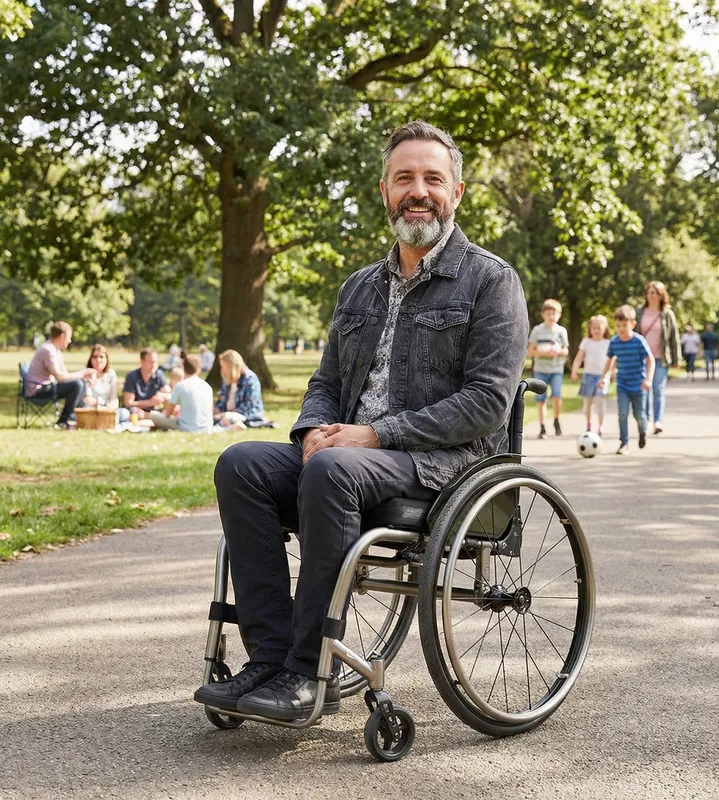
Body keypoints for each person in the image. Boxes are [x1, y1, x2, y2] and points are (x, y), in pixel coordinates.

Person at [193, 121, 528, 721]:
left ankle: (306, 671)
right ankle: (267, 661)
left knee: (336, 472)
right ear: (384, 191)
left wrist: (373, 435)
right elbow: (325, 383)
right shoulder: (358, 289)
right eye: (405, 178)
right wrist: (311, 433)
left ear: (456, 192)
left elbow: (486, 404)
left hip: (442, 466)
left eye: (432, 178)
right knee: (241, 462)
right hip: (347, 458)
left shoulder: (491, 281)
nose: (417, 190)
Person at [599, 306, 654, 455]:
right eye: (618, 326)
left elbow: (650, 360)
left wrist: (648, 379)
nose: (621, 329)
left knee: (639, 415)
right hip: (622, 384)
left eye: (624, 325)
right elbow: (609, 361)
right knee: (622, 413)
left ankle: (642, 431)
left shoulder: (638, 341)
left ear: (633, 324)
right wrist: (604, 377)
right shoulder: (614, 342)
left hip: (639, 385)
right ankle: (624, 443)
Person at [25, 321, 95, 429]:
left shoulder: (55, 350)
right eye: (69, 337)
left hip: (47, 387)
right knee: (77, 385)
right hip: (37, 390)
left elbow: (65, 375)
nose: (70, 341)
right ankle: (64, 420)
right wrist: (82, 373)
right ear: (62, 336)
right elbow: (60, 377)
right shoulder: (48, 350)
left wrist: (83, 376)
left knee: (81, 383)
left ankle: (74, 418)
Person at [637, 281, 680, 435]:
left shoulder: (667, 314)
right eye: (648, 292)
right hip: (643, 358)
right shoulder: (640, 313)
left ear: (661, 295)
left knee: (658, 389)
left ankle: (658, 421)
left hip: (661, 357)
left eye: (654, 292)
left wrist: (676, 359)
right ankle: (646, 420)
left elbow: (674, 337)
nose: (651, 295)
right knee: (645, 389)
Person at [528, 299, 569, 439]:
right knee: (541, 399)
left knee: (557, 397)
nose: (551, 316)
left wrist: (558, 352)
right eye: (548, 313)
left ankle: (557, 421)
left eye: (554, 313)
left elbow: (566, 351)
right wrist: (545, 353)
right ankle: (542, 426)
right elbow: (531, 351)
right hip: (541, 369)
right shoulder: (537, 330)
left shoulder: (561, 331)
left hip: (556, 369)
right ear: (543, 314)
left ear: (559, 315)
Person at [570, 315, 611, 436]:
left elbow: (611, 360)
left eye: (599, 327)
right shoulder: (586, 342)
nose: (597, 330)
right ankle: (588, 424)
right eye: (594, 328)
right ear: (590, 329)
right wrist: (574, 371)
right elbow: (578, 358)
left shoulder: (608, 343)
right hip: (588, 375)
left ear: (605, 328)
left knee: (600, 402)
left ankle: (600, 426)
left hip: (602, 377)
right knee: (587, 403)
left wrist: (612, 372)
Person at [151, 356, 213, 432]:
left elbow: (168, 413)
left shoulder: (180, 386)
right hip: (207, 427)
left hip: (186, 427)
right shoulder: (207, 386)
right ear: (198, 369)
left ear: (184, 369)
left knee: (153, 415)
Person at [213, 350, 265, 429]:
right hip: (228, 414)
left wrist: (226, 414)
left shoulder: (249, 379)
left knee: (226, 418)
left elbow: (249, 406)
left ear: (231, 366)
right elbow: (222, 401)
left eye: (223, 366)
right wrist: (217, 409)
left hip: (247, 415)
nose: (222, 370)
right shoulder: (227, 379)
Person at [82, 344, 129, 424]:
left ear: (106, 359)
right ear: (91, 359)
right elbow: (87, 399)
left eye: (101, 357)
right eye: (95, 357)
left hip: (107, 409)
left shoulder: (111, 374)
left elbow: (113, 398)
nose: (98, 360)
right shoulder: (86, 374)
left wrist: (107, 408)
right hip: (91, 410)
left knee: (124, 413)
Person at [122, 348, 170, 417]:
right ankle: (154, 418)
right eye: (151, 362)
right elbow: (128, 403)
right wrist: (150, 402)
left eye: (155, 362)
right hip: (137, 411)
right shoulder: (131, 377)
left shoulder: (159, 374)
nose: (154, 365)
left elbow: (168, 393)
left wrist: (161, 395)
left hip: (154, 411)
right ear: (142, 361)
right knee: (136, 413)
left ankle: (154, 417)